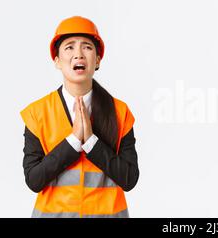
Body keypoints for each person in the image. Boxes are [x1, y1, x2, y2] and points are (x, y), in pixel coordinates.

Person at [20, 16, 139, 218]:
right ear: (57, 60)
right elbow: (34, 180)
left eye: (87, 47)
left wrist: (92, 142)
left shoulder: (120, 112)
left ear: (98, 60)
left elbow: (129, 179)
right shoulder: (37, 113)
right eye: (69, 48)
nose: (78, 54)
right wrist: (73, 141)